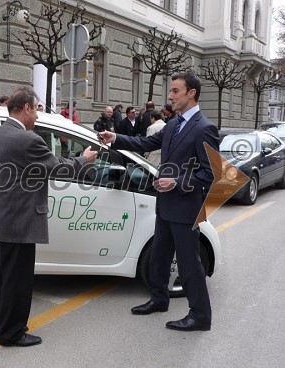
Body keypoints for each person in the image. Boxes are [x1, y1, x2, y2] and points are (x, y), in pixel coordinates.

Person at [98, 72, 219, 332]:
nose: (170, 96)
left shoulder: (204, 127)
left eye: (175, 91)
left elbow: (210, 173)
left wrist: (176, 182)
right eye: (171, 91)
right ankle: (159, 299)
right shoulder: (173, 124)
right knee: (160, 258)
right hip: (165, 204)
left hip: (186, 207)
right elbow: (145, 142)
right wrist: (116, 139)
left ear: (191, 93)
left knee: (189, 263)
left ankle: (200, 315)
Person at [0, 87, 97, 347]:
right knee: (17, 281)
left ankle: (2, 328)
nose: (37, 116)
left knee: (1, 279)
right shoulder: (27, 140)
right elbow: (56, 168)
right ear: (25, 108)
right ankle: (12, 334)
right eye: (37, 109)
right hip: (18, 223)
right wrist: (84, 159)